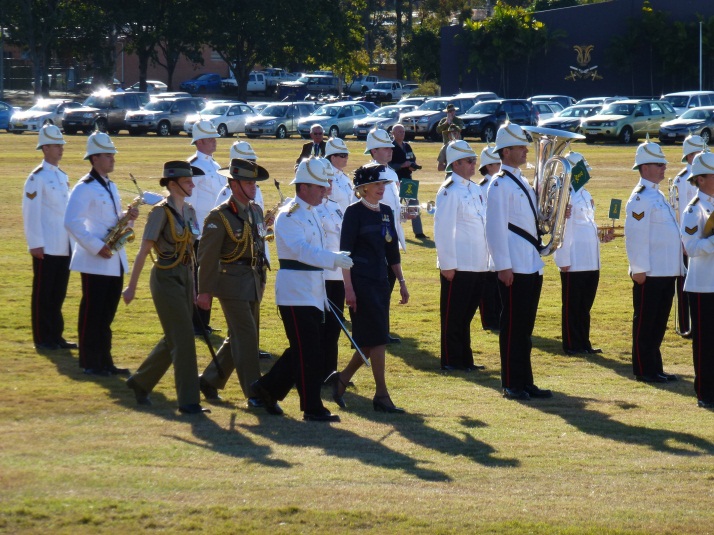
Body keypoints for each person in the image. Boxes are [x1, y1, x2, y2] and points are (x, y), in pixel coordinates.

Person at [251, 159, 354, 422]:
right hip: (295, 292)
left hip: (312, 290)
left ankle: (265, 390)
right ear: (304, 186)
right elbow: (301, 251)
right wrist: (333, 258)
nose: (326, 190)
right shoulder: (290, 214)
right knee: (307, 350)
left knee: (306, 348)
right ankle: (311, 406)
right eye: (320, 186)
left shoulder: (312, 211)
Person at [122, 161, 208, 414]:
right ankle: (189, 401)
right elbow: (143, 251)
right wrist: (131, 287)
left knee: (175, 336)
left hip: (185, 277)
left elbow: (192, 251)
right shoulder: (159, 212)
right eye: (187, 180)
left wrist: (194, 287)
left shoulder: (190, 211)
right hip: (165, 277)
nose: (192, 184)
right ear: (172, 184)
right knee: (183, 338)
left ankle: (140, 382)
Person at [327, 163, 409, 413]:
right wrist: (348, 288)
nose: (381, 189)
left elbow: (392, 251)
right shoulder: (353, 213)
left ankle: (341, 379)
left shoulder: (386, 211)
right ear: (362, 189)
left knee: (368, 340)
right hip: (360, 282)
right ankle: (382, 395)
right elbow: (345, 254)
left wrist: (402, 282)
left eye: (383, 184)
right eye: (376, 184)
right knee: (379, 338)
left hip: (381, 282)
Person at [196, 159, 270, 408]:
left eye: (254, 182)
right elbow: (206, 257)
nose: (253, 187)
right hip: (230, 282)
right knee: (247, 337)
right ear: (233, 184)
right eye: (249, 182)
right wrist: (204, 291)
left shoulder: (255, 210)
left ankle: (208, 380)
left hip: (252, 281)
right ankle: (255, 392)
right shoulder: (219, 216)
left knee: (239, 336)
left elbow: (259, 244)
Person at [485, 123, 551, 400]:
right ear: (506, 151)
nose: (526, 150)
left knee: (525, 327)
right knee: (513, 326)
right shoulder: (498, 184)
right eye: (521, 147)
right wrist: (503, 265)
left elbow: (533, 220)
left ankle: (525, 381)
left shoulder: (522, 180)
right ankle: (511, 382)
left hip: (530, 261)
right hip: (514, 263)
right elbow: (495, 227)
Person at [64, 132, 138, 376]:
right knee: (92, 313)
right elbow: (71, 222)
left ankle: (104, 361)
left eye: (113, 154)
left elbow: (110, 220)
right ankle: (89, 362)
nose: (113, 158)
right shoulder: (84, 187)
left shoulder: (109, 185)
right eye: (108, 155)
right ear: (94, 158)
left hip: (113, 259)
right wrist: (96, 246)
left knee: (106, 314)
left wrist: (128, 219)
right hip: (95, 260)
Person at [624, 138, 683, 384]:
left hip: (666, 271)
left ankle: (654, 367)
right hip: (649, 273)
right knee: (646, 323)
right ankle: (643, 369)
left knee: (658, 322)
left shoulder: (657, 196)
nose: (664, 168)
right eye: (659, 164)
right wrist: (638, 269)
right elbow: (635, 237)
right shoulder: (640, 199)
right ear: (644, 167)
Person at [214, 140, 272, 361]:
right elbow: (227, 226)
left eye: (254, 161)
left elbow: (254, 225)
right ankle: (247, 351)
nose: (253, 166)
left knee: (250, 318)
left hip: (256, 261)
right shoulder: (225, 194)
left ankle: (249, 349)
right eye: (249, 162)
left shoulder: (256, 191)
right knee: (241, 326)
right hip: (238, 266)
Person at [434, 140, 489, 371]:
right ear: (455, 164)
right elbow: (443, 229)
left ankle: (465, 359)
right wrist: (447, 264)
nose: (474, 164)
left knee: (466, 315)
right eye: (469, 161)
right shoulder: (449, 191)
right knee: (453, 316)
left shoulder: (475, 189)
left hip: (477, 263)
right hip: (458, 264)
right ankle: (451, 360)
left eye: (474, 160)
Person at [553, 152, 614, 355]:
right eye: (583, 169)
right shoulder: (564, 195)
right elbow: (561, 230)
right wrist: (562, 259)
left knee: (585, 306)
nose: (587, 173)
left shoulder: (585, 195)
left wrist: (601, 236)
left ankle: (583, 342)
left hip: (590, 258)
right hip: (574, 259)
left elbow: (587, 225)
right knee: (572, 305)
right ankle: (572, 344)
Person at [22, 124, 76, 351]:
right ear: (44, 148)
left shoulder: (62, 176)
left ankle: (56, 335)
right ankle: (43, 338)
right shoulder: (37, 178)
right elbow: (30, 213)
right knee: (43, 294)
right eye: (56, 145)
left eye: (61, 145)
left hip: (63, 245)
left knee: (58, 293)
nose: (60, 149)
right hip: (46, 245)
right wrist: (35, 243)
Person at [365, 128, 412, 344]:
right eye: (385, 148)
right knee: (376, 289)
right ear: (373, 151)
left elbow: (395, 207)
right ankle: (375, 331)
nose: (390, 150)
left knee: (387, 287)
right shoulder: (367, 174)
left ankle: (382, 330)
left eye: (390, 147)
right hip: (376, 240)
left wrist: (407, 211)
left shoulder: (392, 174)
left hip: (391, 237)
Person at [679, 151, 714, 409]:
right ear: (700, 179)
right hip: (702, 284)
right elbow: (690, 248)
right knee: (704, 342)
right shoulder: (693, 209)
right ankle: (704, 393)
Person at [188, 120, 223, 335]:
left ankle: (204, 321)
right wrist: (193, 233)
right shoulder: (193, 166)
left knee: (209, 277)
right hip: (199, 231)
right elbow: (189, 204)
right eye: (210, 139)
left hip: (214, 231)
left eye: (214, 139)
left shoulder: (216, 166)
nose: (214, 142)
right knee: (197, 278)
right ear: (199, 141)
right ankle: (195, 322)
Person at [670, 134, 705, 338]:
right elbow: (681, 210)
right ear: (690, 155)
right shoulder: (683, 179)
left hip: (706, 237)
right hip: (690, 238)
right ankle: (686, 324)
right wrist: (684, 240)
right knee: (686, 283)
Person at [315, 159, 346, 381]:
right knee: (321, 325)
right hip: (322, 275)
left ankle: (330, 371)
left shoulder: (335, 206)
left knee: (335, 326)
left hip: (338, 275)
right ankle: (318, 370)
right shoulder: (311, 209)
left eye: (331, 180)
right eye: (325, 180)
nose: (330, 184)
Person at [476, 145, 502, 332]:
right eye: (497, 163)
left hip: (500, 240)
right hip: (486, 242)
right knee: (488, 285)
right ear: (489, 166)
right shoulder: (483, 187)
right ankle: (489, 321)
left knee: (499, 285)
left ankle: (499, 318)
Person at [389, 124, 427, 239]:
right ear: (393, 133)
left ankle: (419, 232)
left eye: (403, 131)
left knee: (414, 204)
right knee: (393, 205)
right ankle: (392, 230)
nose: (402, 133)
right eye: (399, 132)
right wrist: (401, 165)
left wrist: (412, 166)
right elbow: (388, 165)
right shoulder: (390, 147)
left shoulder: (407, 146)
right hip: (395, 180)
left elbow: (412, 159)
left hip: (407, 180)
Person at [324, 136, 354, 212]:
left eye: (347, 155)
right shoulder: (326, 177)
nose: (346, 158)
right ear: (333, 157)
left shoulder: (344, 177)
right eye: (343, 155)